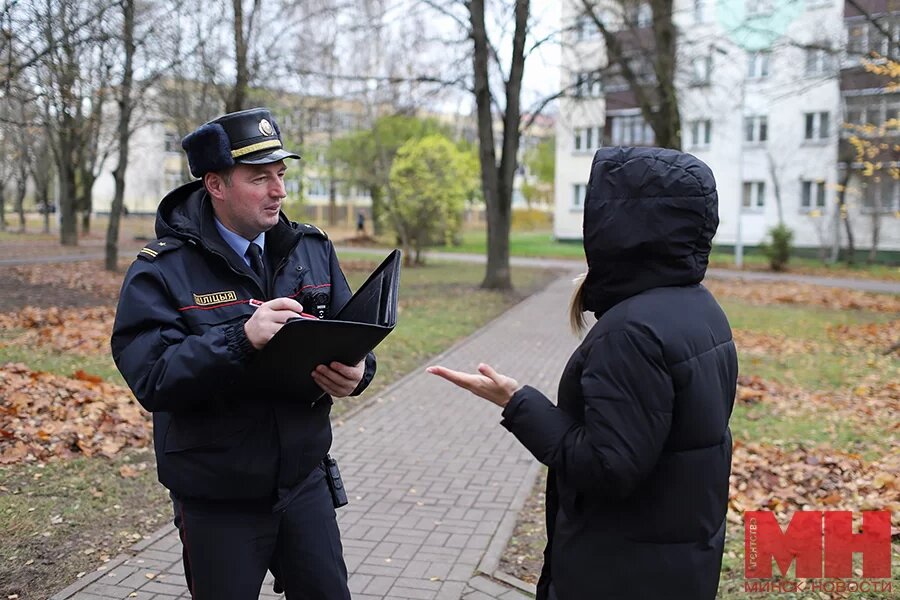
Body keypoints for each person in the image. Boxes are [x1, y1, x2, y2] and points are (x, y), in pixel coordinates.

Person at [428, 146, 738, 600]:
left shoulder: (632, 332)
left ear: (626, 226)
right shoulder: (700, 308)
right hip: (676, 562)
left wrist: (518, 403)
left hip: (619, 573)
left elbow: (607, 468)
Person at [111, 107, 376, 600]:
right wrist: (240, 338)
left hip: (303, 483)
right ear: (215, 184)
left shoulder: (310, 248)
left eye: (281, 175)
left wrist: (358, 372)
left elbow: (352, 334)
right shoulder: (162, 269)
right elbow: (152, 376)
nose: (279, 191)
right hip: (218, 498)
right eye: (260, 178)